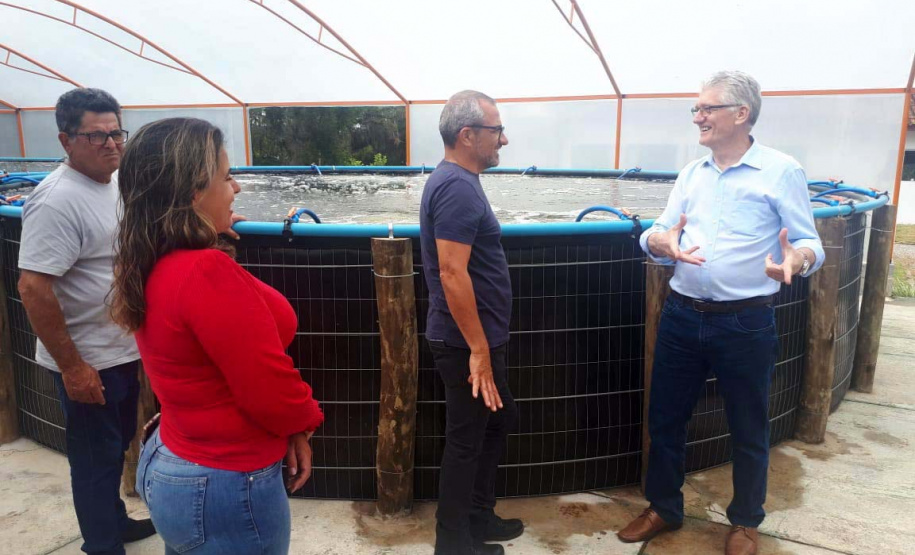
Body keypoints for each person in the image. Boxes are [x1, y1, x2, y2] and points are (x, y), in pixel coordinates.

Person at [617, 71, 825, 555]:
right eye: (696, 109)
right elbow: (659, 235)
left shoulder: (781, 171)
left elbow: (810, 242)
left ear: (741, 114)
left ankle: (746, 521)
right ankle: (664, 507)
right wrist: (659, 240)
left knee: (749, 425)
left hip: (746, 322)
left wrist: (797, 259)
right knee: (665, 418)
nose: (698, 117)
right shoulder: (692, 174)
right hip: (682, 315)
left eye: (707, 108)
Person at [110, 117, 324, 555]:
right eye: (227, 177)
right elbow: (265, 383)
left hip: (176, 458)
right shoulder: (204, 272)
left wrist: (213, 236)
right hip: (224, 480)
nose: (237, 189)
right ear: (193, 192)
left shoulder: (152, 256)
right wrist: (303, 423)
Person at [18, 88, 156, 555]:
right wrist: (74, 367)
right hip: (87, 360)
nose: (111, 143)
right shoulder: (56, 201)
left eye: (116, 132)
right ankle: (101, 545)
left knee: (112, 449)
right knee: (95, 458)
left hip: (117, 350)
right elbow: (33, 287)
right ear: (66, 140)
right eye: (96, 136)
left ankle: (112, 524)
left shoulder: (114, 183)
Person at [419, 90, 523, 555]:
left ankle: (478, 518)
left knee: (496, 423)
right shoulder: (457, 187)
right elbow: (451, 271)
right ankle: (454, 544)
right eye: (496, 130)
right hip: (465, 344)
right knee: (466, 441)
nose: (504, 138)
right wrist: (479, 351)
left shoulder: (459, 181)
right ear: (467, 136)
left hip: (476, 340)